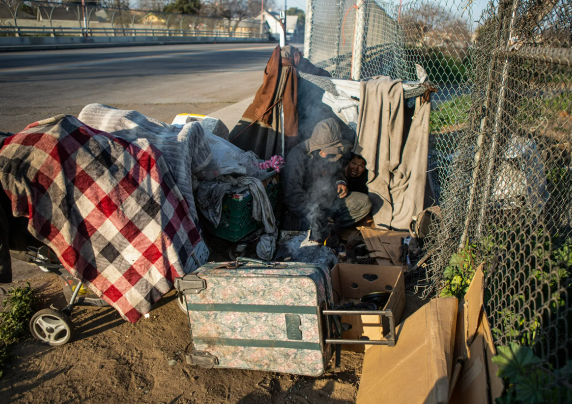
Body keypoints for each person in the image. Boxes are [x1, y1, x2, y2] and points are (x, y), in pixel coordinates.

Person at [282, 118, 372, 242]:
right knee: (317, 231)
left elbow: (338, 173)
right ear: (316, 145)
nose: (327, 153)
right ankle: (327, 228)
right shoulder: (297, 157)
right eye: (325, 150)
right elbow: (292, 199)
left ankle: (332, 226)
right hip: (307, 210)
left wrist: (340, 182)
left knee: (363, 202)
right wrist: (319, 215)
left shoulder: (330, 155)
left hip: (329, 202)